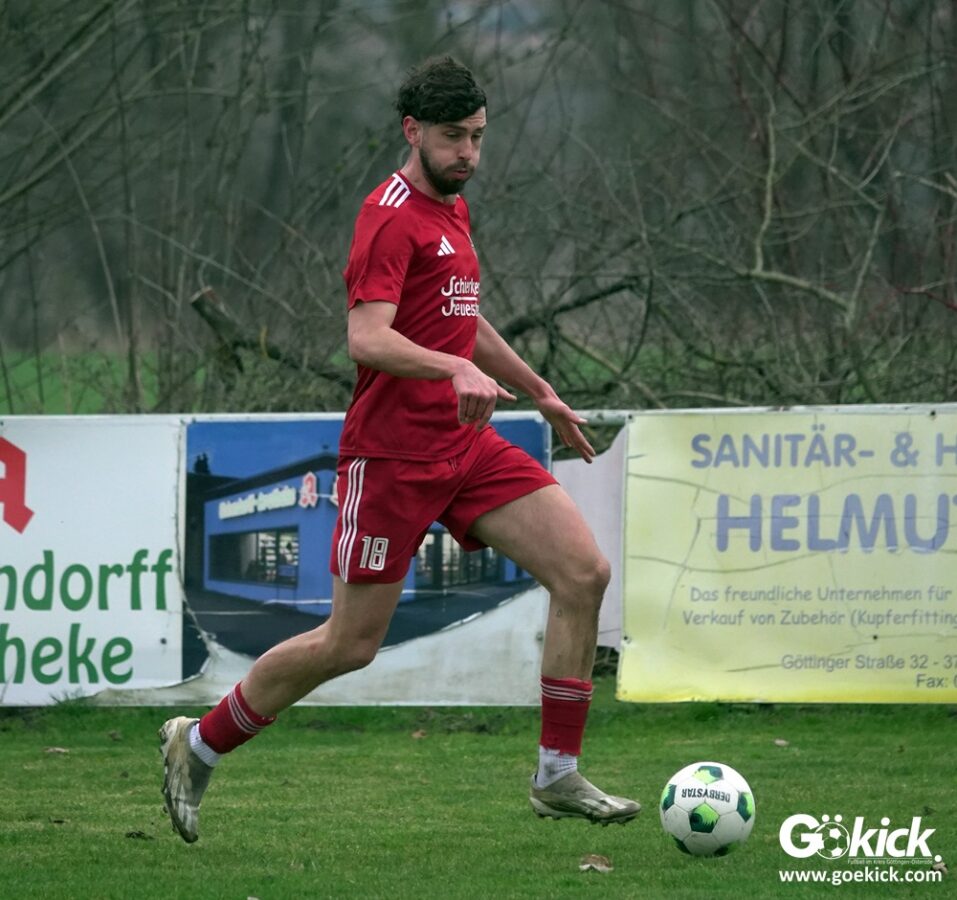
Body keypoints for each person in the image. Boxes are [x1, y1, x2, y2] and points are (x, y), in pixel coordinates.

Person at [159, 56, 640, 843]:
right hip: (391, 459)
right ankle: (200, 743)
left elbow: (461, 319)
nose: (468, 153)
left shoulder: (453, 209)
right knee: (349, 644)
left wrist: (538, 390)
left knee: (582, 573)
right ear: (412, 131)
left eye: (477, 136)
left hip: (465, 447)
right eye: (453, 137)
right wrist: (451, 368)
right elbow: (367, 336)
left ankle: (556, 774)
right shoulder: (386, 217)